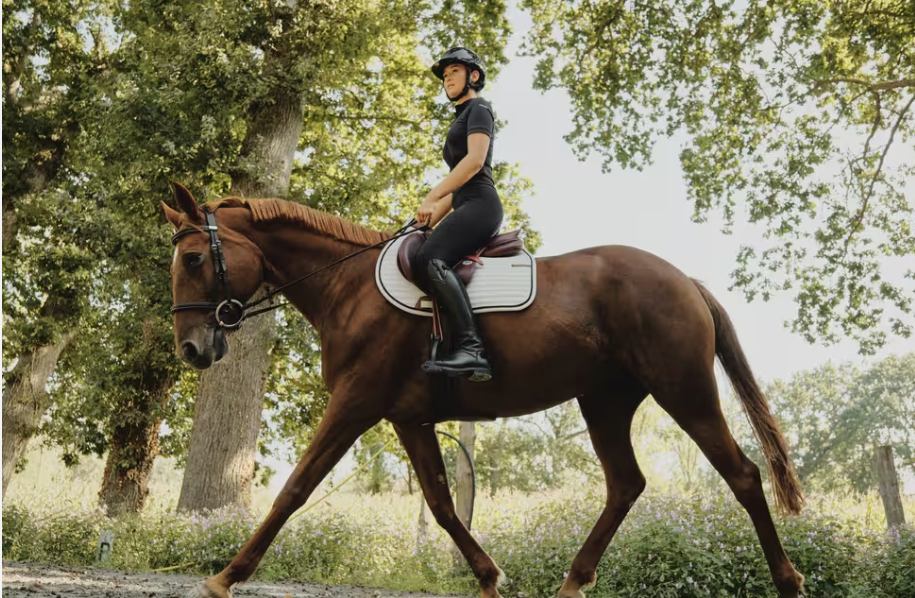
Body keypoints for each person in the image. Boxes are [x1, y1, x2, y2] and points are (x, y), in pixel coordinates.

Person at [412, 47, 504, 382]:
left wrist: (431, 194)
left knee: (430, 258)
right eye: (445, 75)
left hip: (481, 205)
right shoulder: (461, 116)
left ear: (473, 76)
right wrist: (426, 220)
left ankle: (472, 348)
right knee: (422, 248)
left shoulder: (480, 108)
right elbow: (456, 189)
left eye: (454, 71)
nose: (447, 79)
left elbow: (475, 162)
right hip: (465, 203)